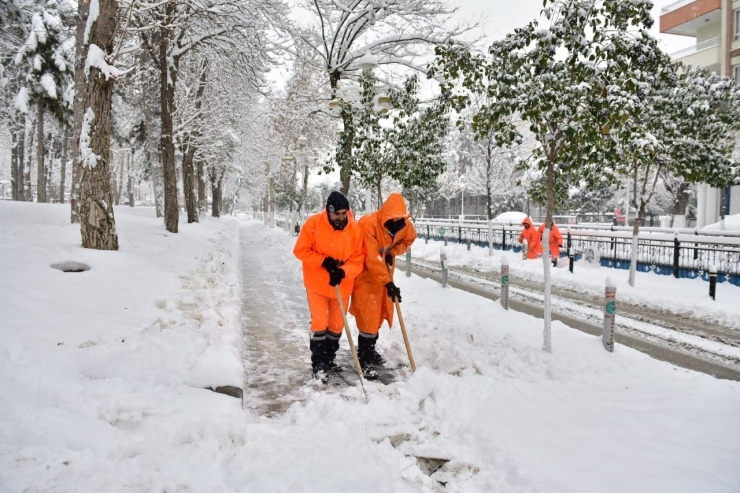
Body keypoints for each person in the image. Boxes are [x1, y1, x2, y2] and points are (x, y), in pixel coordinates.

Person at [293, 191, 365, 380]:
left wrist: (343, 271)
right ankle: (318, 363)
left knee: (336, 324)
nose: (341, 218)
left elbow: (359, 259)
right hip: (317, 283)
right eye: (337, 214)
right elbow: (300, 250)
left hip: (342, 284)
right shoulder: (314, 224)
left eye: (344, 213)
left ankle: (329, 358)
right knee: (319, 322)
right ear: (329, 211)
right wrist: (323, 261)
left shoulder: (355, 230)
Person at [349, 193, 417, 379]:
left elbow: (409, 239)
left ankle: (370, 351)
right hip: (366, 276)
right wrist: (387, 281)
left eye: (399, 218)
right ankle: (364, 358)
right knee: (367, 316)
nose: (395, 221)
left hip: (385, 273)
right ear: (384, 214)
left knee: (378, 315)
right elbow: (372, 258)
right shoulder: (369, 224)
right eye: (392, 218)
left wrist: (392, 251)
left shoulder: (405, 225)